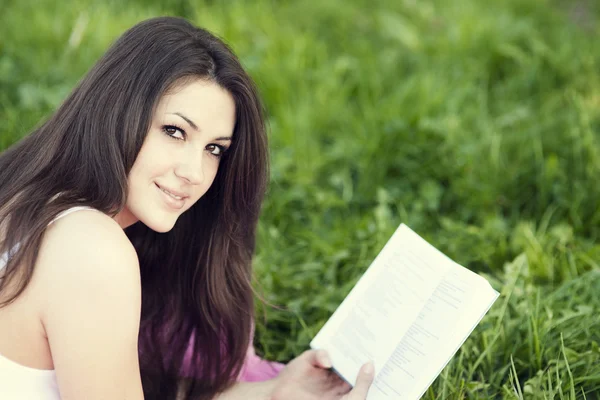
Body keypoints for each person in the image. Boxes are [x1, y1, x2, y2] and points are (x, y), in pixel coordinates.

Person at [0, 16, 374, 400]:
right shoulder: (91, 250)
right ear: (117, 110)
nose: (194, 173)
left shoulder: (21, 197)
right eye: (175, 131)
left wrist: (273, 393)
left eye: (214, 149)